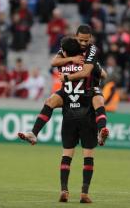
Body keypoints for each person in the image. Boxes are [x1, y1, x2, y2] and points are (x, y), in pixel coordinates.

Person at [21, 36, 102, 203]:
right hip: (86, 111)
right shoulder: (87, 64)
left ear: (64, 52)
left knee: (66, 155)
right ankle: (84, 193)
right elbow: (99, 73)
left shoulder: (62, 64)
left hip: (69, 112)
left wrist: (68, 62)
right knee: (88, 157)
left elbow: (54, 62)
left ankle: (64, 190)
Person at [18, 25, 109, 146]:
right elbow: (54, 62)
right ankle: (34, 133)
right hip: (69, 89)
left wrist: (67, 77)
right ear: (76, 37)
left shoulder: (91, 49)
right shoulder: (68, 45)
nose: (83, 43)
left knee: (99, 98)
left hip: (87, 88)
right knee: (50, 101)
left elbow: (87, 72)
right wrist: (72, 59)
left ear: (90, 38)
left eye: (86, 41)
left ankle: (101, 132)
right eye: (80, 40)